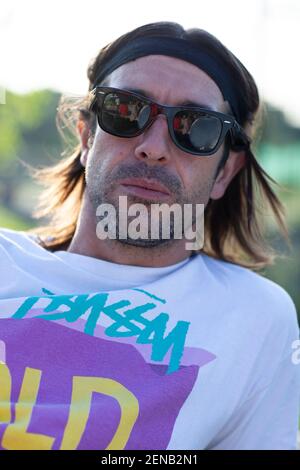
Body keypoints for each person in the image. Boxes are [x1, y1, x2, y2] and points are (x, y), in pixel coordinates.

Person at [0, 21, 299, 451]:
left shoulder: (254, 318)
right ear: (86, 138)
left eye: (196, 127)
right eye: (125, 110)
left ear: (224, 172)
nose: (153, 146)